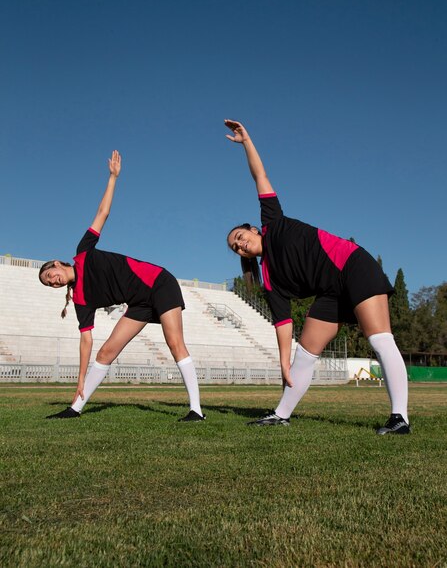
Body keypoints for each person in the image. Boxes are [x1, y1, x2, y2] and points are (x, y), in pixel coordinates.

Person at [225, 119, 410, 435]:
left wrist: (247, 142)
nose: (240, 245)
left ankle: (399, 418)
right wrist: (283, 362)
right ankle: (281, 414)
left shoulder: (273, 222)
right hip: (331, 292)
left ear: (252, 229)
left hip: (352, 265)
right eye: (236, 248)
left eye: (239, 237)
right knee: (304, 352)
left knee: (379, 339)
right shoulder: (269, 279)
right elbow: (282, 323)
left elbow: (260, 175)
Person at [40, 150, 205, 422]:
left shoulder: (83, 253)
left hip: (159, 283)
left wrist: (113, 177)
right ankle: (75, 409)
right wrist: (79, 379)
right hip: (139, 302)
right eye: (50, 284)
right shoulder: (80, 299)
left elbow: (103, 213)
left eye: (51, 275)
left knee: (175, 343)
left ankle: (196, 410)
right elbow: (86, 342)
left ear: (57, 264)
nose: (54, 281)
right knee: (107, 351)